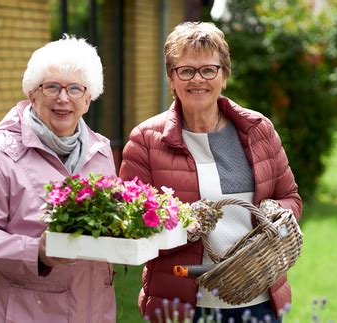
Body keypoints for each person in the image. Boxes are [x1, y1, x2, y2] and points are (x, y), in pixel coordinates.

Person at [119, 21, 302, 323]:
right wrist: (183, 225)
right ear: (171, 78)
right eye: (186, 70)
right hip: (180, 305)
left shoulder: (258, 129)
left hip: (259, 302)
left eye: (208, 70)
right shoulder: (146, 140)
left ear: (224, 75)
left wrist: (275, 212)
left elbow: (290, 197)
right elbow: (131, 221)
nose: (197, 80)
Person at [0, 35, 116, 323]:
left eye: (75, 89)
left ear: (88, 100)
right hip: (24, 313)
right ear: (32, 94)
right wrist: (36, 252)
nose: (63, 98)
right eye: (52, 87)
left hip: (92, 311)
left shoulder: (100, 152)